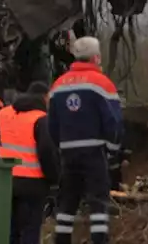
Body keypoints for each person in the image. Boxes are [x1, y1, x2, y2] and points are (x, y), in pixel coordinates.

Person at [49, 36, 122, 244]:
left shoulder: (58, 85)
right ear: (96, 57)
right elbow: (113, 122)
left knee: (67, 203)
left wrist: (60, 147)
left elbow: (51, 125)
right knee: (98, 203)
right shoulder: (102, 83)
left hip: (68, 155)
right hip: (94, 152)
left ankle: (61, 240)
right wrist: (112, 149)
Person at [0, 81, 61, 244]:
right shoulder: (41, 119)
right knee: (30, 231)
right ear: (44, 97)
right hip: (33, 185)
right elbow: (47, 153)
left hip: (5, 181)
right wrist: (55, 179)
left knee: (11, 231)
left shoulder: (4, 114)